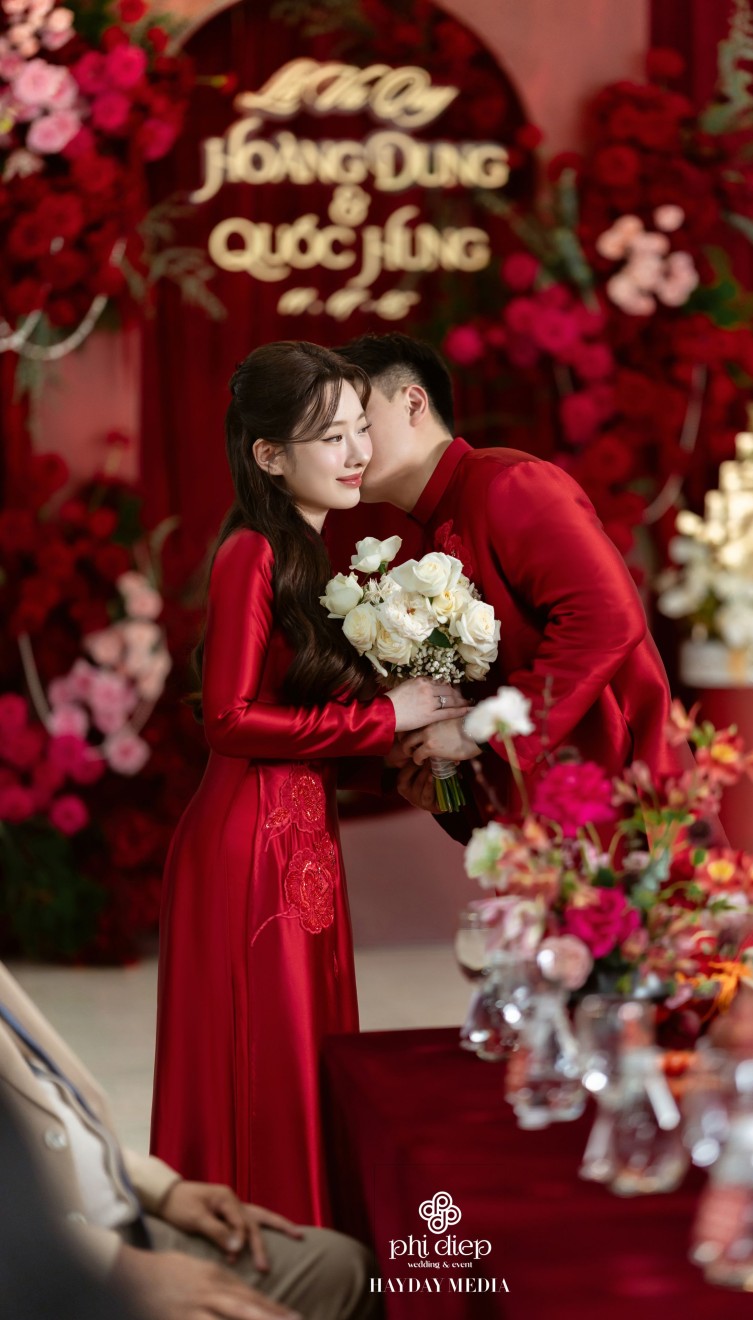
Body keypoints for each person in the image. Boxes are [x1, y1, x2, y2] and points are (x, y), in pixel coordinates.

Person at [151, 342, 466, 1225]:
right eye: (332, 437)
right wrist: (386, 718)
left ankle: (311, 1246)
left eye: (361, 428)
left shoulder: (305, 555)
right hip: (248, 852)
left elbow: (301, 731)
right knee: (270, 1058)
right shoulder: (251, 553)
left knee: (309, 1051)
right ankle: (268, 1247)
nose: (358, 452)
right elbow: (228, 722)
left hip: (296, 841)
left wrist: (399, 762)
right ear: (269, 454)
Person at [336, 332, 684, 820]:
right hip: (538, 814)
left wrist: (481, 730)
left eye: (359, 424)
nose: (345, 450)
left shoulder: (508, 482)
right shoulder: (424, 541)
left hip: (611, 790)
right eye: (333, 434)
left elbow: (608, 616)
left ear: (413, 403)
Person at [0, 961, 376, 1320]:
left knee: (343, 1269)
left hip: (106, 1222)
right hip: (47, 1262)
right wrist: (118, 1269)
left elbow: (48, 1104)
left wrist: (162, 1190)